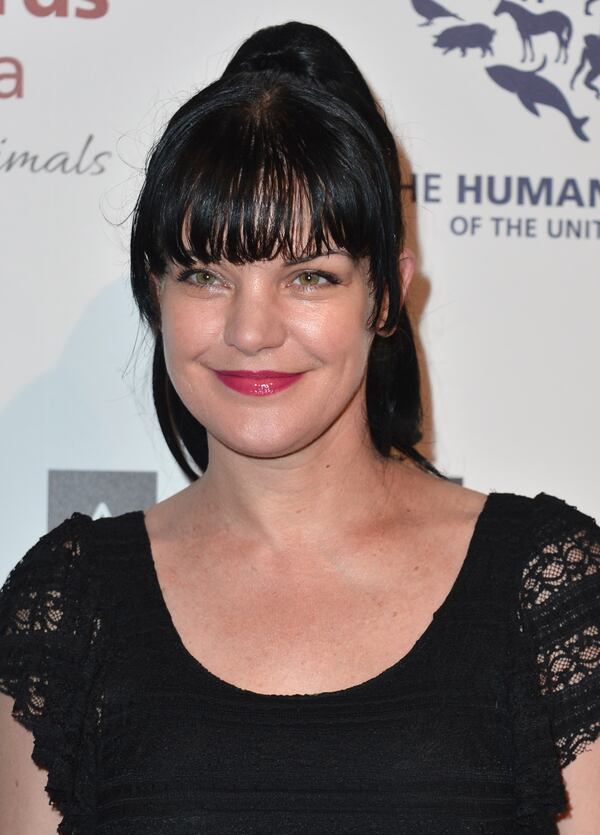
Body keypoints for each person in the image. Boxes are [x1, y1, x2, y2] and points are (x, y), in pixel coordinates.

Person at [1, 20, 599, 835]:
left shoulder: (549, 590)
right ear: (158, 294)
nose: (252, 329)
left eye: (309, 275)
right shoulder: (67, 606)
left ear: (385, 295)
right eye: (206, 273)